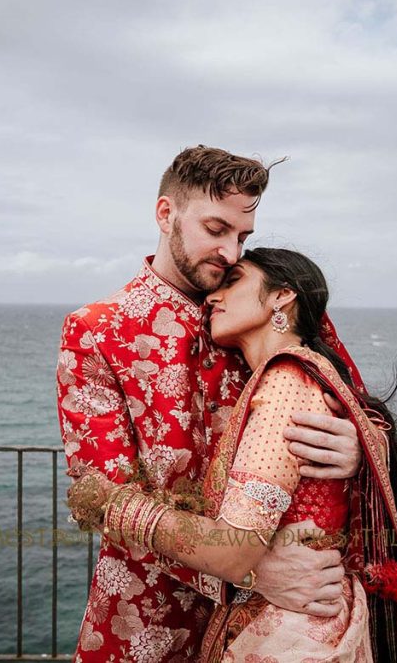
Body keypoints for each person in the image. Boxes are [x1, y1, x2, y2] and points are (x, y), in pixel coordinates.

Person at [69, 249, 397, 662]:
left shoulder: (285, 382)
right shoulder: (298, 371)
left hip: (293, 628)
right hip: (293, 618)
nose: (214, 295)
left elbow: (234, 552)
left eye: (234, 281)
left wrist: (113, 505)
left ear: (281, 298)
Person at [57, 146, 369, 662]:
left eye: (242, 236)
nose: (230, 253)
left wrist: (358, 446)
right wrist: (244, 567)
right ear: (165, 214)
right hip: (144, 615)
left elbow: (355, 404)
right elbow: (100, 495)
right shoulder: (97, 331)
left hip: (280, 619)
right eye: (216, 229)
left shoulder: (262, 305)